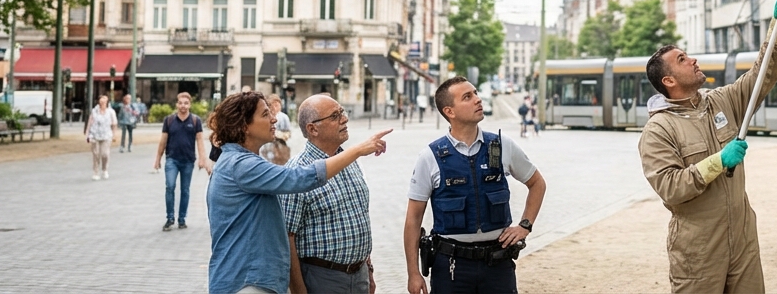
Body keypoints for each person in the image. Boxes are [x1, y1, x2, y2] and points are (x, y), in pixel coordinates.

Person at [638, 0, 777, 294]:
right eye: (682, 60)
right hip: (698, 248)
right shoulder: (658, 130)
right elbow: (670, 187)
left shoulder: (721, 101)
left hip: (743, 238)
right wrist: (718, 161)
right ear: (668, 81)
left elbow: (761, 76)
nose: (693, 59)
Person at [206, 91, 390, 294]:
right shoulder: (240, 165)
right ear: (244, 126)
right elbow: (298, 178)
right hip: (246, 281)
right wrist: (357, 150)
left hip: (256, 279)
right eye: (265, 114)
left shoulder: (243, 161)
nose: (274, 118)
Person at [404, 76, 547, 294]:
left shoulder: (501, 146)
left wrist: (524, 225)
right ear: (449, 111)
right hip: (451, 268)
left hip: (497, 264)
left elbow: (537, 183)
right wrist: (413, 273)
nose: (477, 100)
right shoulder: (430, 157)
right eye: (467, 97)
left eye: (476, 93)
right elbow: (413, 219)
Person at [281, 94, 379, 294]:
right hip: (322, 278)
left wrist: (368, 271)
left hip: (358, 275)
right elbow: (286, 237)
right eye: (334, 116)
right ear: (312, 128)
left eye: (342, 112)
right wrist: (299, 290)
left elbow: (359, 216)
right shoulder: (297, 172)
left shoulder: (348, 161)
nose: (344, 119)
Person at [153, 92, 211, 230]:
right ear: (177, 104)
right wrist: (157, 159)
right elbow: (163, 141)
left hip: (188, 161)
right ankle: (170, 218)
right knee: (170, 186)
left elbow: (200, 141)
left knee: (185, 190)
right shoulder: (169, 120)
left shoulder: (195, 121)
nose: (183, 106)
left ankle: (182, 219)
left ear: (189, 104)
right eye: (180, 103)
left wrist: (202, 159)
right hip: (172, 159)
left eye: (186, 103)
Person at [87, 94, 118, 180]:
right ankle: (96, 172)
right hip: (94, 134)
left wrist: (114, 135)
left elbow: (114, 124)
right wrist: (88, 134)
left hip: (107, 135)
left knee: (105, 154)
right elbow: (90, 123)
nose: (103, 103)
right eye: (101, 101)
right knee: (96, 154)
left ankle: (104, 169)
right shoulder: (94, 111)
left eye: (104, 101)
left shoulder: (111, 112)